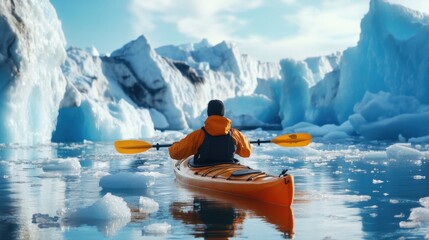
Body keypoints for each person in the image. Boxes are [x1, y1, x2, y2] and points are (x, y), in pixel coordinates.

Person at [168, 99, 251, 165]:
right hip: (227, 166)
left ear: (208, 113)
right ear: (222, 113)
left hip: (203, 168)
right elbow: (247, 152)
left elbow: (175, 154)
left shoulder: (199, 135)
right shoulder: (234, 134)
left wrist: (174, 146)